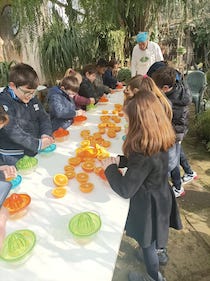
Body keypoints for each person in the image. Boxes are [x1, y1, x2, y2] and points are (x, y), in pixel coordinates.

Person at [101, 90, 182, 281]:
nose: (127, 125)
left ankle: (154, 276)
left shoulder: (142, 152)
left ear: (139, 123)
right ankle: (156, 252)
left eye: (129, 121)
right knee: (152, 240)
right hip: (161, 195)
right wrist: (121, 161)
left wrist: (110, 169)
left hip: (149, 206)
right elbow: (145, 167)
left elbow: (126, 189)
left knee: (148, 245)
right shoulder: (158, 138)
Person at [0, 63, 54, 165]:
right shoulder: (3, 103)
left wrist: (45, 134)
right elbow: (12, 131)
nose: (30, 96)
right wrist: (37, 144)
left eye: (33, 92)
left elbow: (43, 117)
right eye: (26, 92)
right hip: (14, 156)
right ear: (12, 86)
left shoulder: (32, 99)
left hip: (34, 149)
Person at [151, 66, 192, 197]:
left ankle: (176, 188)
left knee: (170, 162)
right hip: (173, 132)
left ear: (165, 88)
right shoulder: (175, 91)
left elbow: (172, 122)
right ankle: (178, 184)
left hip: (174, 133)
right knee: (174, 158)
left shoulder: (173, 101)